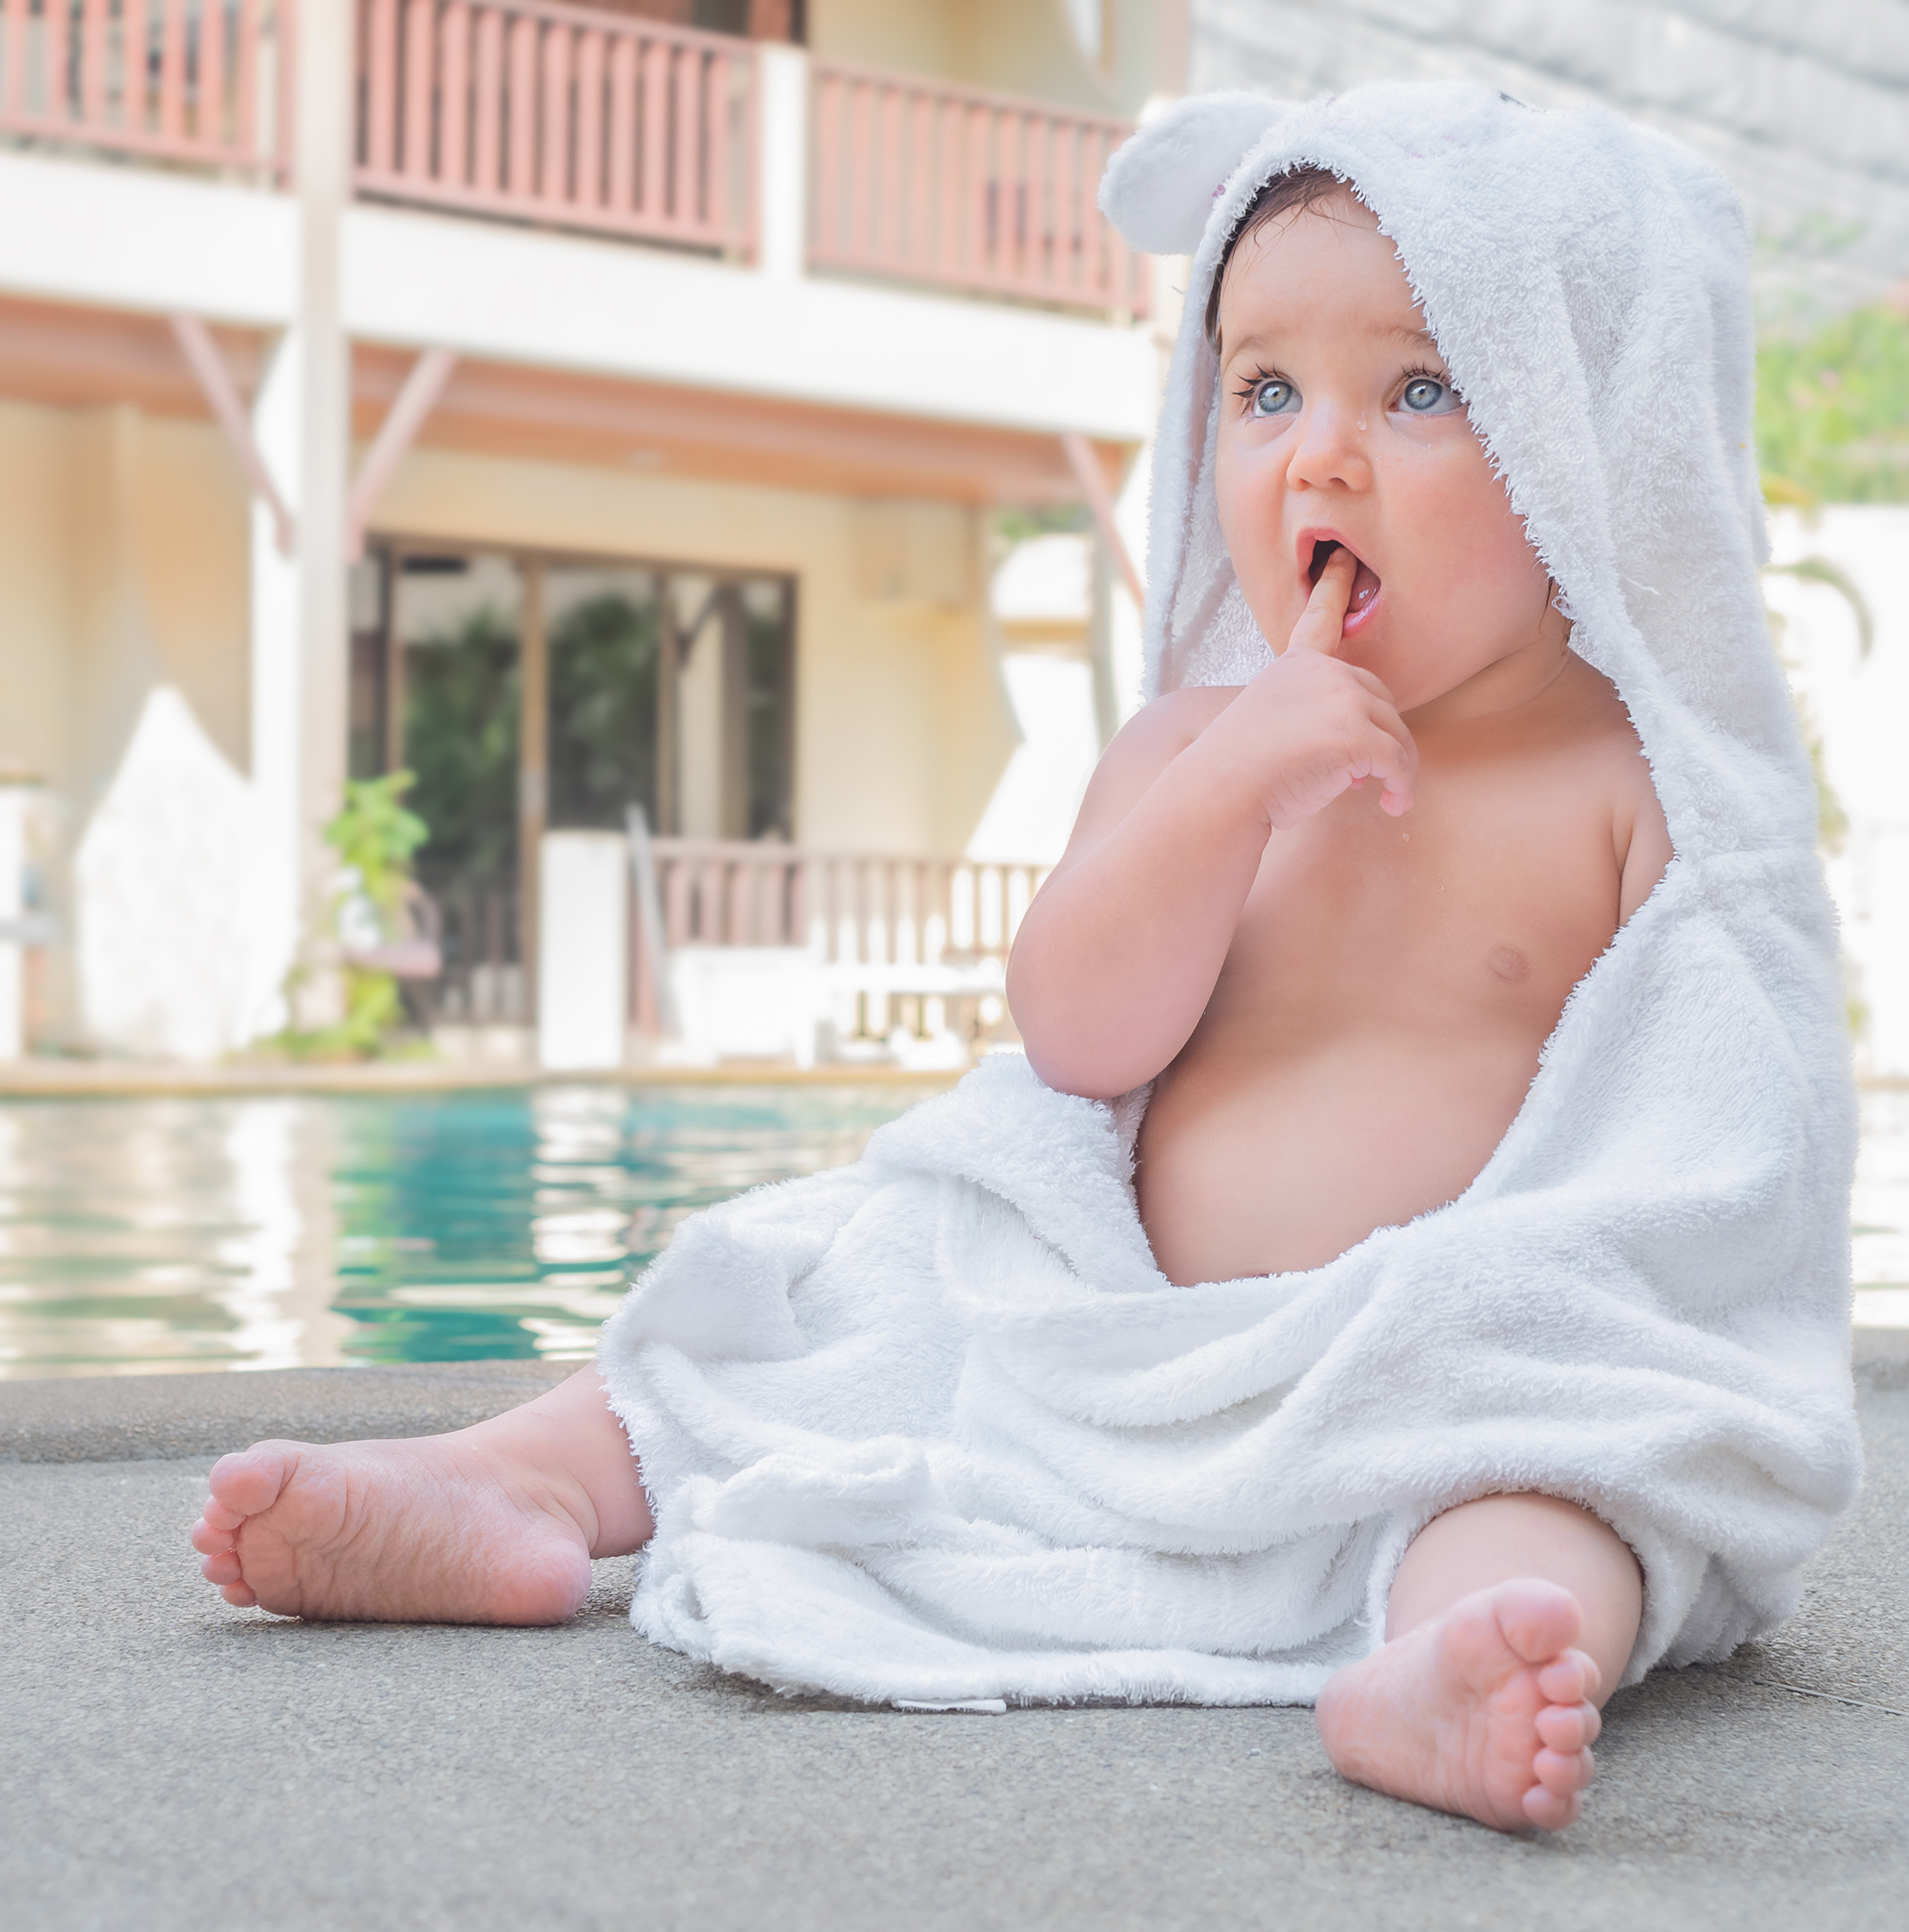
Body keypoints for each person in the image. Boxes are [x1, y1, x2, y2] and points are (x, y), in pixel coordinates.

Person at [190, 85, 1860, 1837]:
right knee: (828, 1279)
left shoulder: (1624, 790)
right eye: (1265, 387)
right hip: (1089, 1338)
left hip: (1413, 1372)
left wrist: (1584, 1316)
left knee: (1569, 1470)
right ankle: (511, 1483)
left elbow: (1706, 1136)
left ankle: (1457, 1659)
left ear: (1593, 434)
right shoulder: (1186, 757)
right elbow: (1075, 1038)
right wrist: (1228, 789)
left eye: (1423, 390)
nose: (1321, 456)